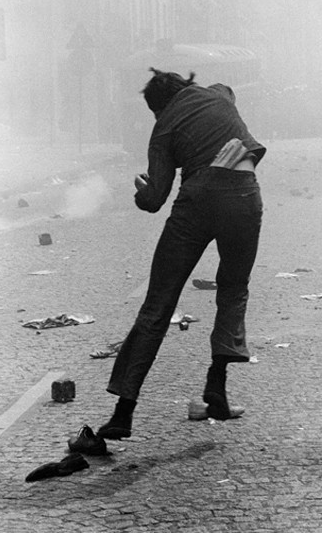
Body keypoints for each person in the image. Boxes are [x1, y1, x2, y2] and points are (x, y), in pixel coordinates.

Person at [97, 68, 266, 439]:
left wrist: (143, 193)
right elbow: (228, 89)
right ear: (187, 87)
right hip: (243, 192)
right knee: (233, 290)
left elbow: (155, 199)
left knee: (157, 306)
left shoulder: (163, 129)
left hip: (198, 200)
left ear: (157, 109)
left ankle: (122, 413)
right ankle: (216, 388)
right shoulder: (217, 95)